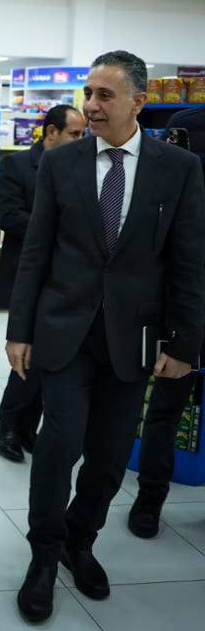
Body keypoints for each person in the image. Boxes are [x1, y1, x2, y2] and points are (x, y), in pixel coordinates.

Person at [6, 50, 205, 624]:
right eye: (88, 94)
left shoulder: (178, 168)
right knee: (58, 444)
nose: (91, 106)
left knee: (112, 453)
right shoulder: (60, 163)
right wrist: (19, 329)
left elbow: (188, 261)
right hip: (63, 330)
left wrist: (184, 345)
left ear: (138, 102)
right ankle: (44, 555)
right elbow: (36, 251)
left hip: (134, 338)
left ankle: (80, 539)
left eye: (104, 95)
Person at [0, 104, 86, 463]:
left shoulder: (80, 167)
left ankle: (27, 426)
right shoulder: (17, 165)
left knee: (48, 358)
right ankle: (8, 425)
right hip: (28, 275)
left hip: (65, 280)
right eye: (74, 134)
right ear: (51, 132)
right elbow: (8, 215)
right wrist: (55, 228)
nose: (81, 140)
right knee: (27, 355)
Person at [128, 105, 205, 539]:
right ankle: (149, 499)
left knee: (164, 411)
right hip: (181, 304)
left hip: (181, 299)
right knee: (164, 410)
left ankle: (151, 500)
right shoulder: (188, 125)